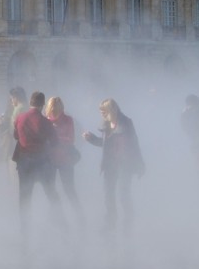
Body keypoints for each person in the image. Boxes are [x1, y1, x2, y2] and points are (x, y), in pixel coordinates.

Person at [82, 98, 145, 232]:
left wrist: (140, 164)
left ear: (111, 110)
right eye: (101, 112)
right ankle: (110, 223)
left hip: (125, 164)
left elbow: (135, 144)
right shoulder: (106, 125)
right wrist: (91, 138)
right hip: (110, 164)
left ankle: (128, 223)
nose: (102, 114)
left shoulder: (126, 123)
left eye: (103, 111)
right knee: (108, 195)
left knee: (123, 194)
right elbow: (105, 144)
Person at [13, 91, 62, 227]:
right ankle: (61, 224)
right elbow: (55, 142)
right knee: (51, 193)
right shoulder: (46, 122)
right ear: (42, 104)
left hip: (24, 162)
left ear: (30, 103)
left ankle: (25, 229)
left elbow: (16, 135)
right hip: (42, 162)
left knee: (25, 197)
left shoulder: (20, 118)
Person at [44, 96, 83, 220]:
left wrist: (55, 139)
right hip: (50, 160)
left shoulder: (68, 120)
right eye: (52, 109)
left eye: (56, 109)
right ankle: (55, 216)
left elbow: (71, 139)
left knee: (69, 189)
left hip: (65, 160)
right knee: (51, 190)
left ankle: (79, 215)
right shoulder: (46, 121)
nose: (54, 112)